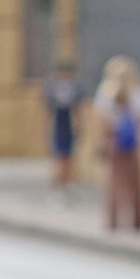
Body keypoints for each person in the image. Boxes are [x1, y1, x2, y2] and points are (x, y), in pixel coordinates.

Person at [94, 55, 140, 232]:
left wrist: (102, 142)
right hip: (132, 140)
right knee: (135, 182)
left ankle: (113, 221)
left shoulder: (105, 92)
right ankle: (138, 222)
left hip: (114, 138)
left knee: (113, 181)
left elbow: (102, 120)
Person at [45, 60, 85, 195]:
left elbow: (79, 108)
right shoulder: (53, 87)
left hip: (69, 120)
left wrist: (79, 125)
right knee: (58, 154)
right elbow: (47, 110)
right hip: (59, 120)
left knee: (69, 154)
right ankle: (58, 183)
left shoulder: (75, 87)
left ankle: (68, 182)